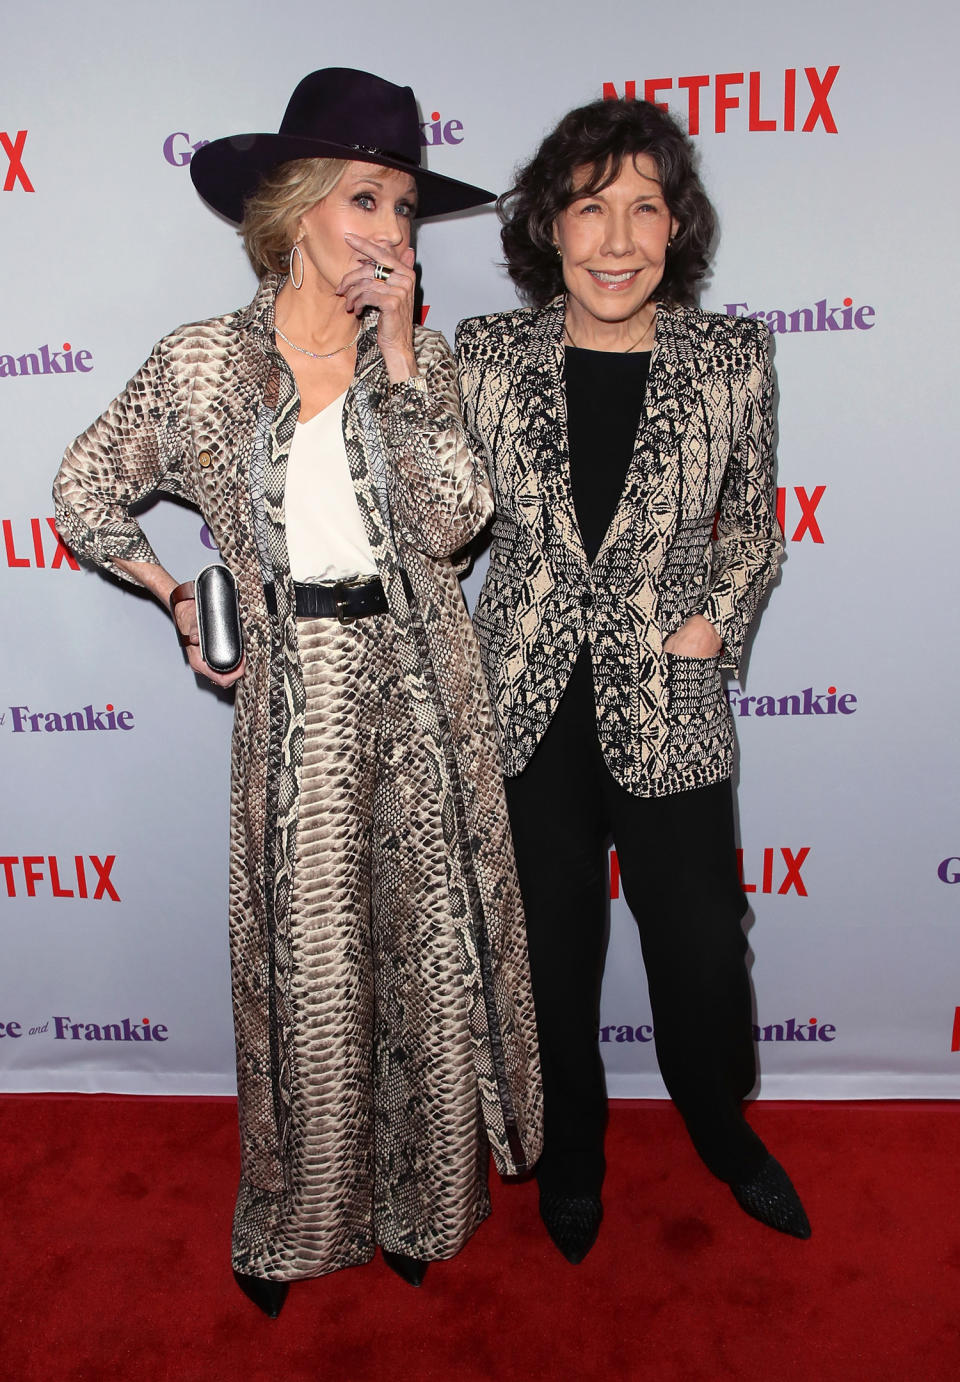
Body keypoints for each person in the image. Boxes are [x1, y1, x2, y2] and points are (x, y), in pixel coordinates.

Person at [53, 67, 541, 1316]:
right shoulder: (205, 363)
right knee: (311, 977)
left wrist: (397, 354)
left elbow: (456, 522)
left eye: (404, 209)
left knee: (427, 958)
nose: (390, 230)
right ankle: (296, 1222)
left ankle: (426, 1208)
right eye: (367, 199)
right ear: (300, 207)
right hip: (299, 694)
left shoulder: (421, 363)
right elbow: (83, 489)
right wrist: (173, 593)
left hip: (424, 686)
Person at [456, 95, 808, 1265]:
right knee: (551, 950)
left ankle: (723, 1129)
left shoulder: (731, 356)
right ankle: (573, 1155)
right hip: (526, 704)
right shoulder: (487, 354)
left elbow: (753, 528)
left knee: (703, 944)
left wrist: (718, 622)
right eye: (590, 208)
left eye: (643, 209)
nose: (616, 240)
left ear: (676, 226)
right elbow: (444, 523)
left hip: (671, 699)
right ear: (550, 227)